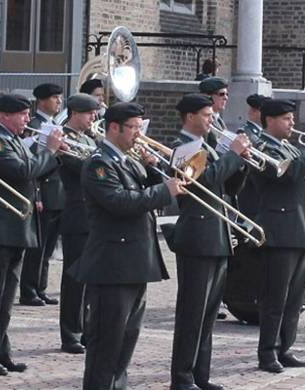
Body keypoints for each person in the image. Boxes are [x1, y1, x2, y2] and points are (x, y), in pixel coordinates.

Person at [69, 102, 185, 389]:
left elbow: (147, 190)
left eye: (139, 127)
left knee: (127, 339)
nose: (138, 134)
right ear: (113, 128)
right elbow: (119, 203)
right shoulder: (99, 163)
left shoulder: (128, 160)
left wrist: (155, 169)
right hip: (112, 264)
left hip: (134, 261)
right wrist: (163, 190)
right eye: (133, 128)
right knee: (106, 342)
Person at [0, 94, 64, 376]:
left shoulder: (12, 139)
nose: (26, 119)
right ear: (6, 115)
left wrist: (51, 156)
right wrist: (49, 150)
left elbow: (32, 174)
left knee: (6, 299)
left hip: (15, 228)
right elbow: (21, 170)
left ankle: (0, 350)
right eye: (23, 115)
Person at [167, 94, 250, 390]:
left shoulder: (209, 148)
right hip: (197, 237)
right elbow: (202, 183)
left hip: (217, 234)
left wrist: (241, 164)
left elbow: (227, 188)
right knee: (192, 313)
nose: (211, 119)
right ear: (189, 117)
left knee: (208, 314)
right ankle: (182, 377)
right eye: (205, 114)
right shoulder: (183, 147)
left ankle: (201, 375)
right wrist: (232, 157)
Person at [250, 99, 305, 373]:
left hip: (299, 228)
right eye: (286, 119)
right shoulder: (262, 147)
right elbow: (288, 174)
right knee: (275, 298)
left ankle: (285, 348)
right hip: (278, 231)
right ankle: (267, 353)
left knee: (295, 298)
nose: (292, 123)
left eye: (292, 118)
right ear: (269, 120)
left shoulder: (290, 147)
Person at [56, 94, 103, 354]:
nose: (93, 118)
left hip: (93, 215)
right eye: (89, 113)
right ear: (74, 113)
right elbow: (84, 170)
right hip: (76, 213)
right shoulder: (63, 138)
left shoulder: (88, 138)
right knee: (74, 277)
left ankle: (85, 327)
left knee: (90, 277)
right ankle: (70, 333)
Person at [22, 83, 66, 306]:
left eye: (59, 98)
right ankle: (29, 289)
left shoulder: (54, 125)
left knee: (48, 247)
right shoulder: (34, 126)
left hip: (57, 193)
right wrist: (37, 196)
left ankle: (40, 286)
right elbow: (34, 165)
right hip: (44, 191)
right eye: (55, 98)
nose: (59, 101)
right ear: (42, 101)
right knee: (38, 246)